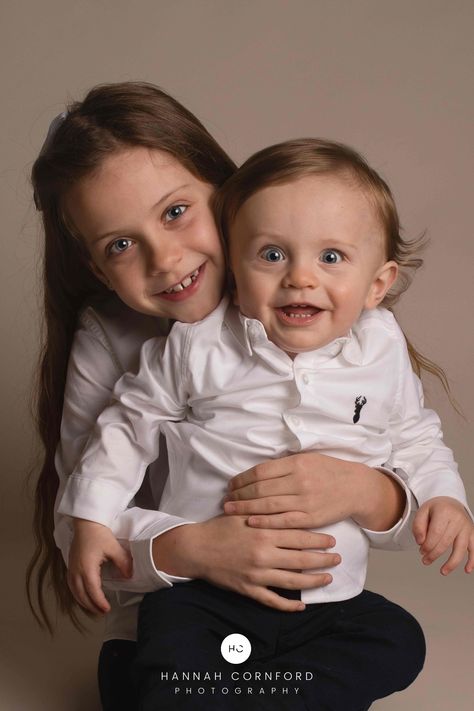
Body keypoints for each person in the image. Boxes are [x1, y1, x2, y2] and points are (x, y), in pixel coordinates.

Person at [56, 137, 473, 709]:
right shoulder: (198, 345)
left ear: (378, 284)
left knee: (396, 639)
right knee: (172, 649)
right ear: (237, 254)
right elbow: (128, 423)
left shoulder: (380, 346)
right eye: (273, 255)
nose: (300, 277)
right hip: (204, 596)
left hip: (325, 604)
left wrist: (444, 498)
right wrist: (92, 515)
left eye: (330, 257)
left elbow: (414, 434)